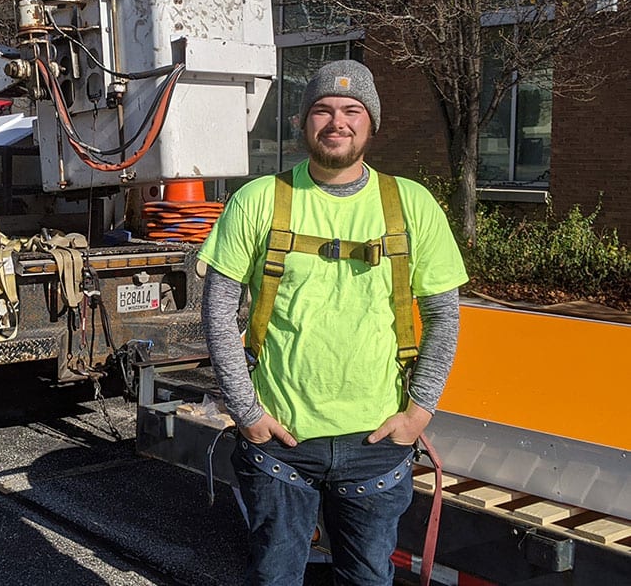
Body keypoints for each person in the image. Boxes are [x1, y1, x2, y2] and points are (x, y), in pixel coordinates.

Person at [198, 59, 468, 586]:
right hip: (279, 442)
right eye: (322, 110)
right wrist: (247, 411)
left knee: (367, 580)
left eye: (352, 110)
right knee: (274, 577)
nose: (336, 122)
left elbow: (443, 316)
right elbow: (218, 311)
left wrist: (418, 413)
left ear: (371, 124)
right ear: (303, 122)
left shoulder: (411, 205)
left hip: (377, 445)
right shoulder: (257, 200)